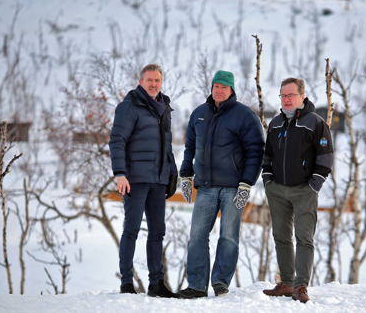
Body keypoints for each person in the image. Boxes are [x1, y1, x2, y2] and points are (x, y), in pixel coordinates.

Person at [177, 70, 265, 298]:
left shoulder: (245, 116)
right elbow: (189, 148)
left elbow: (256, 151)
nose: (219, 90)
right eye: (216, 85)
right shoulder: (198, 113)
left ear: (231, 89)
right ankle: (196, 285)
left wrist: (247, 183)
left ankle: (220, 283)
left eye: (224, 87)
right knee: (197, 235)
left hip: (233, 187)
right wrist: (186, 175)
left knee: (228, 235)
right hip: (205, 186)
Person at [109, 63, 178, 298]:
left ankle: (156, 284)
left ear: (161, 82)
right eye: (149, 80)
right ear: (140, 82)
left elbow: (167, 146)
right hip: (135, 180)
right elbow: (117, 140)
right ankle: (126, 283)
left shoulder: (164, 108)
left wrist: (172, 173)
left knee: (158, 232)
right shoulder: (129, 107)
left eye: (157, 80)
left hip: (158, 180)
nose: (153, 84)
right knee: (131, 230)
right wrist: (120, 173)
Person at [261, 77, 333, 303]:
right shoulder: (275, 124)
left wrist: (314, 184)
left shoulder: (315, 122)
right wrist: (268, 180)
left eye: (291, 95)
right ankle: (286, 283)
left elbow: (326, 157)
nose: (286, 100)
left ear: (302, 96)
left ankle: (301, 286)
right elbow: (267, 156)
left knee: (304, 239)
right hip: (278, 190)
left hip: (304, 190)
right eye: (283, 96)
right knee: (281, 237)